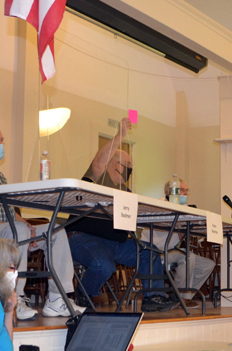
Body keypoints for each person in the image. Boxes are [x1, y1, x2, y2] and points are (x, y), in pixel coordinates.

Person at [0, 124, 85, 320]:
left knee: (55, 229)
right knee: (18, 230)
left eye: (2, 140)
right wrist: (15, 229)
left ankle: (57, 299)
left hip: (6, 230)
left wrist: (28, 228)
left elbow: (12, 212)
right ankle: (15, 298)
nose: (0, 144)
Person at [66, 118, 178, 313]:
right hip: (82, 238)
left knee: (149, 251)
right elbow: (98, 161)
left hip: (115, 243)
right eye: (126, 164)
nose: (129, 168)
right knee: (103, 265)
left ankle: (153, 297)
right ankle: (84, 292)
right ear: (113, 164)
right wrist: (120, 136)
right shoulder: (98, 179)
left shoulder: (125, 190)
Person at [139, 178, 216, 300]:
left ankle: (179, 295)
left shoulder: (185, 208)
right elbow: (159, 226)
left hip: (171, 251)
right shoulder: (158, 205)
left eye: (187, 190)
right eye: (182, 190)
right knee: (187, 257)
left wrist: (188, 231)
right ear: (170, 191)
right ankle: (182, 298)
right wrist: (178, 227)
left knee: (207, 265)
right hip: (154, 251)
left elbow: (197, 233)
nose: (185, 193)